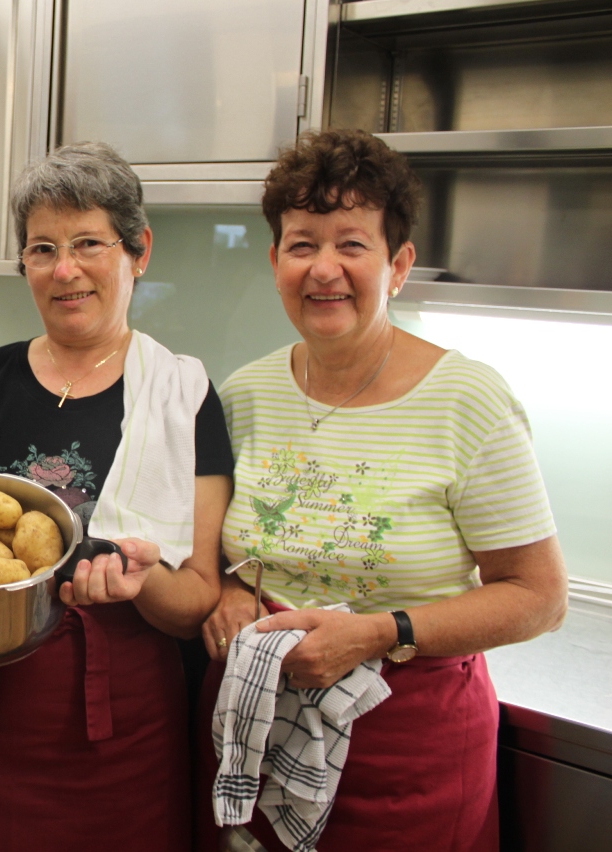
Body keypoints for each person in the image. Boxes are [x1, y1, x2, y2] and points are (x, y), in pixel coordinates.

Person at [195, 128, 567, 852]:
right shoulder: (246, 394)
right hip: (254, 730)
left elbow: (540, 597)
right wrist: (232, 591)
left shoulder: (467, 401)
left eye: (352, 244)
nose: (323, 268)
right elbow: (214, 548)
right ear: (275, 262)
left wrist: (378, 631)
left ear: (398, 265)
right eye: (302, 244)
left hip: (408, 746)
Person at [0, 142, 235, 851]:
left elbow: (198, 595)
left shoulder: (183, 398)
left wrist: (141, 581)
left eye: (88, 244)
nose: (64, 270)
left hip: (113, 726)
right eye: (43, 249)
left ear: (138, 251)